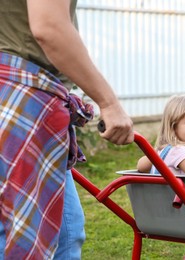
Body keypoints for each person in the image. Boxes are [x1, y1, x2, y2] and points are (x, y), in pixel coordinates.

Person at [0, 0, 134, 259]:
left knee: (66, 234)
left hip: (27, 100)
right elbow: (49, 27)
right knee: (17, 236)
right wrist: (108, 102)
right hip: (21, 99)